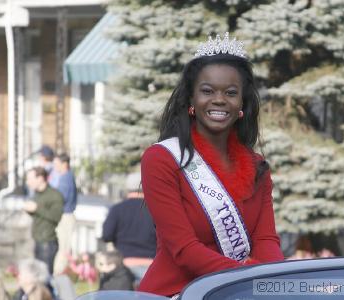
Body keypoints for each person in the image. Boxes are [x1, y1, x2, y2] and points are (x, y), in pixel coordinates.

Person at [138, 32, 284, 297]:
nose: (219, 100)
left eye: (230, 93)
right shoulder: (162, 159)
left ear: (242, 103)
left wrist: (272, 284)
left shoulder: (257, 166)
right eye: (207, 91)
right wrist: (248, 281)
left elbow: (266, 240)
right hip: (176, 293)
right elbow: (183, 249)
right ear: (191, 100)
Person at [102, 172, 156, 284]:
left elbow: (106, 235)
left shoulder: (117, 209)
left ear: (127, 188)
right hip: (151, 267)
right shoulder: (155, 210)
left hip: (124, 265)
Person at [24, 167, 64, 275]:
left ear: (40, 178)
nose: (27, 182)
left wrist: (36, 208)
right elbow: (40, 215)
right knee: (37, 276)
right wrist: (30, 210)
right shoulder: (38, 194)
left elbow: (56, 217)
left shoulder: (55, 195)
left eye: (30, 179)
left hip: (48, 243)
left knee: (45, 277)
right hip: (38, 240)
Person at [50, 153, 77, 275]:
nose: (55, 167)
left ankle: (58, 274)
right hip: (65, 216)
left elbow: (60, 198)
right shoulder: (65, 176)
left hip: (65, 216)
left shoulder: (66, 178)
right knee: (62, 247)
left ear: (64, 164)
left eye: (57, 164)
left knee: (63, 248)